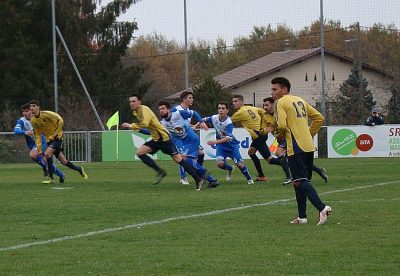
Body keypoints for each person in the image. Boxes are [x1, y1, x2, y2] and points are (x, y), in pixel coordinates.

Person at [271, 77, 331, 225]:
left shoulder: (280, 102)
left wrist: (277, 135)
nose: (272, 93)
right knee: (300, 182)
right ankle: (302, 217)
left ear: (284, 89)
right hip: (308, 145)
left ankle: (322, 208)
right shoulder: (300, 100)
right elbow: (319, 118)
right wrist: (309, 134)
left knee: (299, 180)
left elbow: (282, 125)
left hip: (295, 146)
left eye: (275, 89)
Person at [121, 94, 206, 191]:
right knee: (140, 152)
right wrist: (135, 128)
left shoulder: (144, 110)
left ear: (140, 102)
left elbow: (145, 123)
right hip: (156, 138)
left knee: (178, 159)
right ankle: (160, 172)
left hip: (163, 137)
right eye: (130, 102)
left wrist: (131, 126)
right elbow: (147, 127)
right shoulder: (136, 112)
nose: (132, 103)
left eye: (134, 101)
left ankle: (198, 179)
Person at [262, 97, 328, 184]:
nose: (265, 107)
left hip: (289, 136)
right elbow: (265, 129)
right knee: (295, 160)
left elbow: (283, 124)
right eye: (264, 105)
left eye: (267, 105)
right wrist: (265, 131)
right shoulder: (265, 116)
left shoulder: (280, 110)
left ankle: (289, 177)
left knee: (279, 153)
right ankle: (318, 170)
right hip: (280, 138)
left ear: (273, 105)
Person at [158, 101, 219, 188]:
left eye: (163, 108)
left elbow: (194, 112)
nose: (161, 111)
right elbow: (151, 131)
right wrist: (138, 129)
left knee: (187, 160)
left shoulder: (178, 113)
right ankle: (210, 180)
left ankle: (204, 174)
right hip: (184, 142)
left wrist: (201, 122)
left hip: (191, 139)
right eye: (160, 109)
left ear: (169, 109)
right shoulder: (162, 123)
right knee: (190, 161)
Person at [231, 94, 288, 182]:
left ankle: (288, 165)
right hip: (260, 135)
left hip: (258, 136)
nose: (233, 103)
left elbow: (227, 121)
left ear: (242, 102)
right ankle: (263, 175)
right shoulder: (252, 108)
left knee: (261, 156)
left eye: (236, 101)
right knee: (258, 155)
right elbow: (263, 112)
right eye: (233, 102)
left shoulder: (240, 113)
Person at [29, 100, 88, 184]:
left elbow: (60, 120)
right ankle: (79, 169)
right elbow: (37, 135)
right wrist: (39, 148)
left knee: (47, 154)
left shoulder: (46, 114)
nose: (32, 108)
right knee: (64, 161)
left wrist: (57, 133)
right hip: (49, 140)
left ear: (38, 107)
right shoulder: (33, 121)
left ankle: (51, 178)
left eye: (34, 106)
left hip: (57, 138)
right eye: (31, 106)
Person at [203, 101, 254, 184]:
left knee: (240, 164)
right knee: (219, 164)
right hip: (221, 146)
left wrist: (214, 142)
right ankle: (230, 168)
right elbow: (202, 119)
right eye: (219, 108)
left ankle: (249, 179)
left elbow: (227, 138)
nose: (221, 110)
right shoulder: (214, 118)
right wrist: (196, 125)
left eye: (223, 108)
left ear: (227, 110)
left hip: (232, 146)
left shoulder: (228, 122)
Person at [15, 103, 65, 183]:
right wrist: (25, 132)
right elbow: (16, 130)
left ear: (31, 111)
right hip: (32, 144)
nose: (25, 113)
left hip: (42, 141)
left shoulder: (38, 119)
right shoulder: (22, 120)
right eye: (23, 111)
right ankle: (60, 174)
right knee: (45, 161)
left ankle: (46, 168)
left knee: (33, 155)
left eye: (27, 111)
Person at [175, 91, 206, 185]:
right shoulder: (176, 110)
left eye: (192, 98)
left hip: (187, 137)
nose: (192, 99)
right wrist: (201, 122)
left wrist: (192, 126)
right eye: (190, 98)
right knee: (183, 156)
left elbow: (184, 123)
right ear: (184, 99)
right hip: (179, 138)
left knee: (201, 153)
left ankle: (198, 172)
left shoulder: (188, 110)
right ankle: (183, 177)